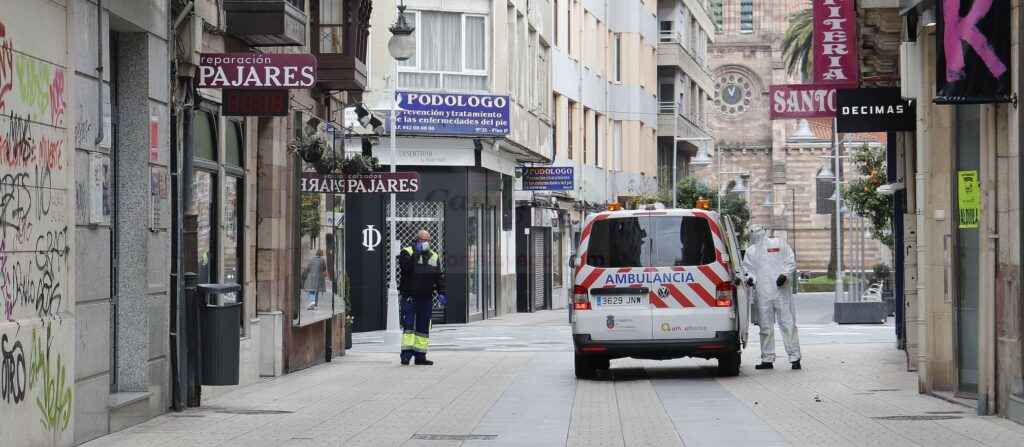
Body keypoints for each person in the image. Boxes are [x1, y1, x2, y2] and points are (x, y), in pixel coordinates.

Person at [742, 224, 801, 370]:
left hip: (780, 291)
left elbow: (790, 261)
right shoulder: (751, 252)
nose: (757, 235)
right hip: (762, 293)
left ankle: (795, 358)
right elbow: (747, 270)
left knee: (787, 324)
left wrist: (784, 274)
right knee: (765, 326)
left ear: (763, 232)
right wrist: (750, 279)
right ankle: (767, 359)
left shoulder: (779, 244)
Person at [397, 230, 446, 365]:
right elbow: (405, 268)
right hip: (410, 297)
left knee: (423, 328)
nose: (424, 242)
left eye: (427, 240)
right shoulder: (406, 252)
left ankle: (420, 356)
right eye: (422, 240)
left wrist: (441, 292)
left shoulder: (434, 256)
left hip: (426, 298)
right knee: (408, 327)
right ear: (416, 239)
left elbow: (439, 277)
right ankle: (406, 355)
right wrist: (417, 253)